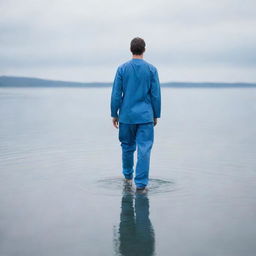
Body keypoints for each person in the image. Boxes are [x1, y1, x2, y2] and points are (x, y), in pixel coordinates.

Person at [110, 37, 161, 191]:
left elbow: (116, 94)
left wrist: (114, 113)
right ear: (144, 50)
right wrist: (156, 114)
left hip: (126, 116)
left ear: (131, 49)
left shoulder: (122, 69)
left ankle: (127, 177)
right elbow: (155, 95)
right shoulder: (152, 69)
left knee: (127, 147)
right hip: (145, 116)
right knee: (144, 149)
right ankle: (141, 185)